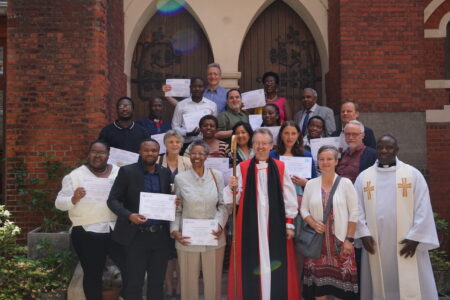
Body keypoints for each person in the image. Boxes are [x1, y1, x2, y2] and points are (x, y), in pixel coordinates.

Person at [354, 135, 439, 300]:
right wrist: (363, 233)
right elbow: (356, 209)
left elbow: (423, 207)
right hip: (375, 241)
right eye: (380, 147)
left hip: (407, 241)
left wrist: (416, 237)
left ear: (397, 150)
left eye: (389, 147)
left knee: (411, 282)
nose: (384, 151)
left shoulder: (412, 175)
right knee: (379, 282)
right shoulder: (364, 178)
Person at [224, 128, 300, 300]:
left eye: (264, 143)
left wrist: (289, 223)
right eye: (257, 143)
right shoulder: (242, 167)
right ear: (252, 145)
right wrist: (232, 187)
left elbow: (289, 197)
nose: (260, 147)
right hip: (250, 224)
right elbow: (232, 200)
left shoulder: (280, 167)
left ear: (271, 145)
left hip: (275, 224)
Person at [55, 140, 125, 300]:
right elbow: (59, 204)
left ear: (108, 155)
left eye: (102, 153)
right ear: (88, 154)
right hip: (87, 232)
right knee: (93, 274)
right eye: (94, 152)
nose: (97, 156)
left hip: (115, 229)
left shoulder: (119, 173)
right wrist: (73, 198)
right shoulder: (75, 176)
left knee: (129, 268)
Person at [107, 138, 174, 300]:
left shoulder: (165, 173)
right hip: (135, 236)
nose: (150, 153)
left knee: (157, 282)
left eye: (154, 151)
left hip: (160, 236)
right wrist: (129, 215)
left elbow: (166, 199)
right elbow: (112, 200)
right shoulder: (127, 172)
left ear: (159, 153)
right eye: (146, 150)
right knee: (134, 282)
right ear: (140, 151)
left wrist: (173, 201)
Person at [171, 140, 229, 300]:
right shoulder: (180, 179)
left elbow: (223, 205)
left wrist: (219, 225)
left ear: (207, 156)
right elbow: (177, 209)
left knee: (213, 282)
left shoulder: (216, 176)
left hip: (214, 236)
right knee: (188, 282)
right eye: (193, 153)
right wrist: (175, 231)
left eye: (201, 153)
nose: (197, 157)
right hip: (187, 237)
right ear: (189, 156)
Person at [300, 145, 359, 300]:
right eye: (321, 159)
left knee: (340, 289)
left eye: (329, 159)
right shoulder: (311, 184)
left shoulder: (345, 183)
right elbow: (303, 210)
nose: (325, 162)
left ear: (336, 161)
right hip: (317, 244)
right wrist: (312, 222)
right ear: (317, 161)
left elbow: (354, 213)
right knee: (319, 289)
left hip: (340, 243)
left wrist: (349, 239)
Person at [269, 121, 318, 287]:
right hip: (278, 205)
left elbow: (315, 183)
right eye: (286, 133)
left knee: (299, 247)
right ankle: (280, 285)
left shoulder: (306, 155)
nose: (289, 137)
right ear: (281, 135)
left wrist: (306, 182)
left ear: (298, 136)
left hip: (301, 208)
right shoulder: (273, 155)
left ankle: (297, 286)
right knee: (280, 246)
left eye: (293, 133)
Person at [157, 129, 192, 297]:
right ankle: (168, 285)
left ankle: (180, 286)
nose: (175, 144)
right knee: (166, 251)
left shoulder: (188, 162)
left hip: (182, 212)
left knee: (179, 250)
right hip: (161, 213)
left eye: (178, 142)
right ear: (165, 144)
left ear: (182, 144)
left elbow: (193, 186)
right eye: (171, 142)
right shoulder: (156, 161)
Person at [163, 63, 228, 114]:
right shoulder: (198, 92)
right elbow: (181, 105)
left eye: (215, 74)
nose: (212, 76)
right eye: (210, 74)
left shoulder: (227, 94)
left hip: (219, 129)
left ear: (220, 76)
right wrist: (168, 95)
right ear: (207, 76)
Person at [171, 77, 218, 146]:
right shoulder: (181, 105)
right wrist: (186, 133)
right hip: (186, 143)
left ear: (204, 88)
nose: (197, 89)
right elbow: (174, 127)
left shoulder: (212, 105)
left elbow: (214, 126)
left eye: (200, 86)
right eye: (194, 86)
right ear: (190, 88)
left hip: (206, 143)